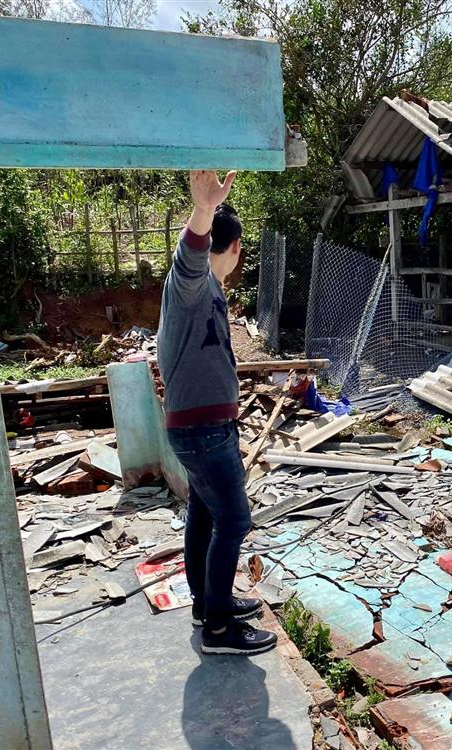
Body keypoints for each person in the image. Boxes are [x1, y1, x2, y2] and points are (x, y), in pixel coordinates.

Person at [158, 169, 276, 655]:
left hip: (205, 426)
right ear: (235, 249)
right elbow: (188, 258)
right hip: (203, 430)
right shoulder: (193, 283)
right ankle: (220, 632)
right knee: (234, 522)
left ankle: (209, 605)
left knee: (205, 516)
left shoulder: (208, 291)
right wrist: (204, 209)